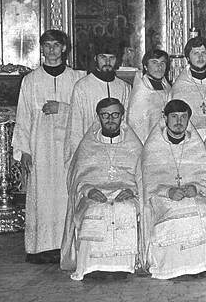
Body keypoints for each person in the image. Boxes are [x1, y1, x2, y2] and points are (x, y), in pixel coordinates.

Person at [12, 30, 84, 264]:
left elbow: (85, 112)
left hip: (69, 146)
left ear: (64, 48)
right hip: (40, 146)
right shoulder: (31, 80)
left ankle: (68, 246)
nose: (52, 49)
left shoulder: (77, 79)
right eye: (47, 45)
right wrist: (24, 150)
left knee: (66, 194)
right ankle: (41, 247)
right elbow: (23, 115)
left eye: (56, 45)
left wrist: (62, 108)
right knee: (42, 195)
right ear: (41, 49)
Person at [60, 98, 142, 280]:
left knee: (126, 208)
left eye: (115, 114)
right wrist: (89, 190)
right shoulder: (88, 145)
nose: (110, 119)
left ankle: (123, 265)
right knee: (95, 209)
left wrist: (132, 190)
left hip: (126, 193)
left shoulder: (134, 145)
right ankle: (93, 265)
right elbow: (77, 176)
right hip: (94, 194)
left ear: (122, 117)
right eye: (105, 115)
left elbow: (143, 176)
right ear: (98, 117)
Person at [139, 99, 206, 279]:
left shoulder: (195, 144)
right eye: (174, 116)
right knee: (175, 212)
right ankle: (172, 267)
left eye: (183, 117)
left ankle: (199, 264)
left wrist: (195, 188)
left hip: (190, 194)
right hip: (161, 197)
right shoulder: (154, 146)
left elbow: (202, 175)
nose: (179, 121)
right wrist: (168, 192)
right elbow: (149, 182)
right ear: (165, 118)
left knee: (204, 209)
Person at [65, 42, 131, 165]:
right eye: (103, 57)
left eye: (112, 58)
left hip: (117, 152)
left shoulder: (124, 87)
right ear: (95, 58)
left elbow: (126, 122)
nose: (107, 62)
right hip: (90, 152)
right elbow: (75, 126)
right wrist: (77, 157)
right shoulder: (82, 86)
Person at [171, 36, 206, 140]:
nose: (200, 57)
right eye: (195, 53)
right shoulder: (180, 87)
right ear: (188, 58)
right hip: (190, 139)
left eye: (203, 53)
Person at [127, 49, 171, 143]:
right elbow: (137, 124)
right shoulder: (141, 92)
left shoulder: (167, 87)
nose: (159, 66)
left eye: (163, 63)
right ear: (145, 66)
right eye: (154, 62)